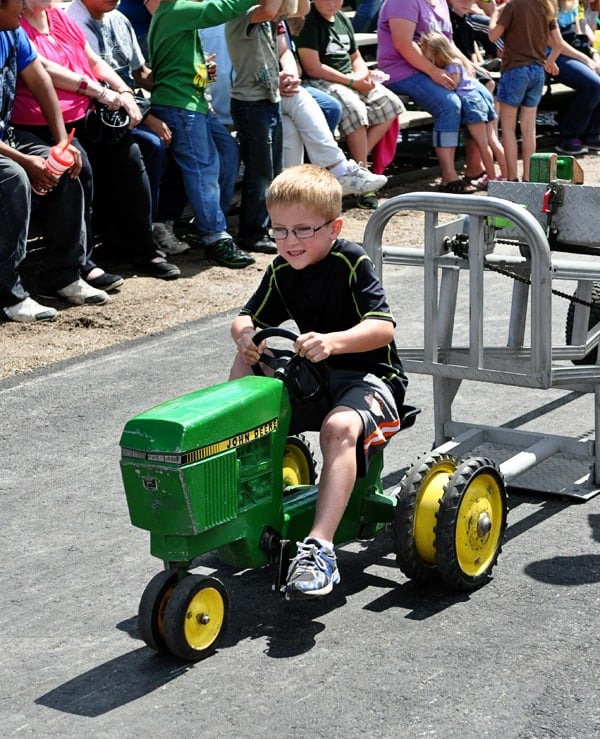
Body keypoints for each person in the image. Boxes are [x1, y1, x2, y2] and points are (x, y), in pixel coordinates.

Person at [229, 164, 408, 597]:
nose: (290, 242)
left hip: (371, 379)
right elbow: (247, 316)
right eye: (280, 231)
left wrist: (332, 342)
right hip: (315, 377)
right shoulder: (280, 271)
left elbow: (383, 327)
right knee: (246, 367)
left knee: (339, 427)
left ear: (334, 227)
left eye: (304, 230)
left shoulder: (351, 262)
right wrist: (245, 335)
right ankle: (241, 496)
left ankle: (320, 547)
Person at [13, 0, 180, 282]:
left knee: (132, 157)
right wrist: (97, 91)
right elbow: (43, 70)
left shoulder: (58, 17)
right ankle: (83, 262)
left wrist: (124, 91)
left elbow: (93, 60)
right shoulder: (16, 24)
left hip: (87, 115)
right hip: (42, 123)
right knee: (81, 168)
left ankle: (141, 248)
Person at [0, 0, 110, 322]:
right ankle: (9, 294)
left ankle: (63, 275)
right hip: (7, 150)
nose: (25, 8)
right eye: (18, 2)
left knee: (68, 165)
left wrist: (62, 142)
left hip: (7, 139)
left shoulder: (12, 32)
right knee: (13, 177)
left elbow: (41, 80)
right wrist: (25, 161)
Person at [65, 0, 190, 257]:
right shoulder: (73, 20)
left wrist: (185, 84)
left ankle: (155, 223)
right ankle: (132, 235)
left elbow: (141, 73)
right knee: (151, 144)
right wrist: (148, 118)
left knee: (183, 130)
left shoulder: (119, 19)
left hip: (129, 109)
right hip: (94, 115)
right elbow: (94, 82)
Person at [145, 0, 262, 269]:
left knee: (228, 152)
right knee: (203, 169)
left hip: (193, 102)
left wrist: (199, 70)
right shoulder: (176, 9)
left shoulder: (172, 12)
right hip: (180, 105)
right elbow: (227, 9)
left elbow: (173, 64)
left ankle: (208, 223)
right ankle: (215, 237)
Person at [293, 0, 403, 209]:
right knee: (355, 108)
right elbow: (313, 67)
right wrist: (353, 82)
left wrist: (362, 76)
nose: (332, 3)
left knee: (390, 103)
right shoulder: (309, 20)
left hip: (350, 77)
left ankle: (354, 167)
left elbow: (356, 56)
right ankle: (362, 183)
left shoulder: (342, 18)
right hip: (321, 80)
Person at [278, 21, 388, 194]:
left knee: (292, 126)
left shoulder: (276, 18)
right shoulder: (247, 14)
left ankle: (295, 194)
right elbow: (311, 68)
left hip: (280, 89)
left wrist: (289, 74)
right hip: (251, 93)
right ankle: (339, 170)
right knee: (339, 106)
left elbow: (286, 53)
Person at [377, 0, 474, 193]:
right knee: (449, 104)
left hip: (435, 67)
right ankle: (449, 176)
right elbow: (403, 44)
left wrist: (468, 66)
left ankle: (476, 170)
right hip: (400, 70)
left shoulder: (440, 2)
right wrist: (433, 71)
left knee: (476, 95)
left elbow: (447, 43)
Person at [419, 31, 505, 187]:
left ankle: (492, 179)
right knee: (493, 140)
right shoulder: (459, 62)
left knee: (483, 144)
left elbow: (453, 84)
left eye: (427, 55)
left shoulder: (451, 66)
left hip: (471, 104)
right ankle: (507, 175)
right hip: (481, 99)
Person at [488, 0, 560, 181]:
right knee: (529, 129)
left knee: (509, 128)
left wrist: (495, 13)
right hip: (537, 71)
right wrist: (549, 61)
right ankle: (528, 177)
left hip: (514, 70)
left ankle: (512, 177)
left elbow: (493, 35)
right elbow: (558, 44)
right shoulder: (546, 7)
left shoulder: (513, 5)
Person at [551, 0, 600, 154]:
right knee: (594, 85)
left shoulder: (572, 5)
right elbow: (555, 43)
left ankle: (592, 134)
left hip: (575, 53)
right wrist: (586, 60)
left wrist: (593, 55)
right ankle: (568, 136)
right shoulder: (546, 5)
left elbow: (579, 37)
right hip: (552, 56)